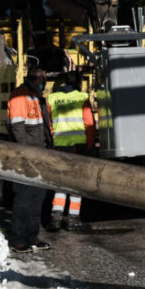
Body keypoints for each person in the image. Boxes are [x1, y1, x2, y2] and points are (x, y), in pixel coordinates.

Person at [6, 66, 54, 253]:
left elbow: (43, 126)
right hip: (27, 155)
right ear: (39, 77)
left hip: (39, 153)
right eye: (44, 77)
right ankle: (17, 238)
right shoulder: (20, 95)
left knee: (37, 197)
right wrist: (26, 154)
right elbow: (17, 127)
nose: (46, 81)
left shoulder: (36, 96)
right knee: (24, 198)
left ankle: (32, 237)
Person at [46, 71, 97, 232]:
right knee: (76, 182)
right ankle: (73, 218)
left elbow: (49, 123)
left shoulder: (52, 98)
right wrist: (90, 143)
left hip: (60, 145)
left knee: (61, 181)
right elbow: (89, 122)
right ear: (78, 83)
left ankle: (56, 217)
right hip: (78, 146)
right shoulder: (81, 97)